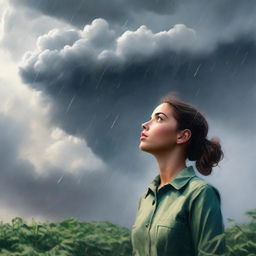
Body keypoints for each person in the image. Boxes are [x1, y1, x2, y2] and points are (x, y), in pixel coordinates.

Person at [131, 92, 227, 256]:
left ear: (182, 135)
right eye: (150, 118)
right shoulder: (146, 198)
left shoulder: (200, 194)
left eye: (159, 118)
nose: (145, 124)